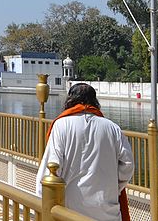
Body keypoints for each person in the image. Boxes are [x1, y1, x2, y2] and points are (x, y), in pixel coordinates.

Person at [36, 83, 134, 221]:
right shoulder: (113, 128)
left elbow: (51, 167)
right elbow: (128, 165)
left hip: (71, 211)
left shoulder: (62, 125)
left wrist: (43, 201)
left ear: (70, 100)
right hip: (107, 211)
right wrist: (114, 188)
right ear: (95, 102)